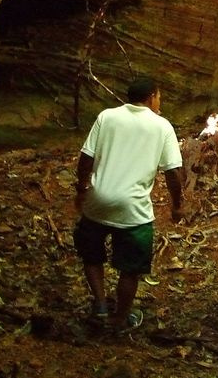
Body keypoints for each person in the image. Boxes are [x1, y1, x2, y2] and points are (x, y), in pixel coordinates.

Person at [73, 75, 184, 334]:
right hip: (132, 208)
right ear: (152, 97)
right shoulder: (162, 126)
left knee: (91, 255)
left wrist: (81, 189)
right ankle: (121, 318)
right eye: (159, 98)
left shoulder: (107, 117)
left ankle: (100, 303)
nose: (160, 102)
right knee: (130, 268)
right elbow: (173, 171)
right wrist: (177, 204)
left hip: (98, 199)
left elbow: (85, 158)